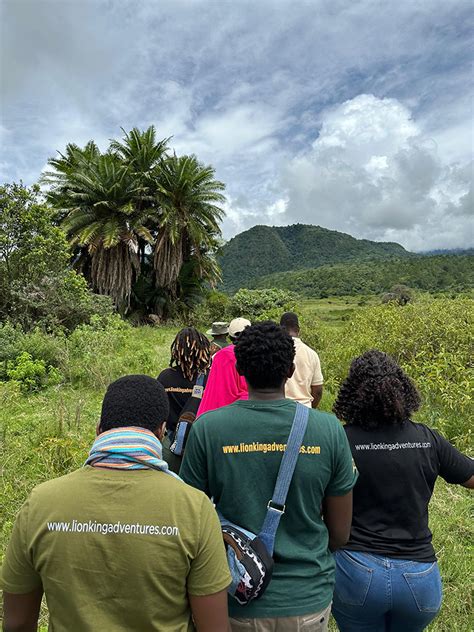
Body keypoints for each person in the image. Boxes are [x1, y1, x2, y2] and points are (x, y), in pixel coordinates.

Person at [1, 375, 231, 632]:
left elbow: (18, 622)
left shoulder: (40, 502)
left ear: (99, 429)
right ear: (161, 431)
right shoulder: (194, 508)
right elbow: (214, 627)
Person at [181, 321, 358, 631]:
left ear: (240, 369)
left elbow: (190, 521)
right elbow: (340, 535)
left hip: (237, 598)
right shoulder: (328, 429)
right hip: (307, 598)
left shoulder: (208, 429)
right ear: (290, 370)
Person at [331, 350, 474, 632]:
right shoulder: (427, 439)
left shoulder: (341, 440)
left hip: (357, 573)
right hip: (419, 579)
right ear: (402, 389)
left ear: (351, 394)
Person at [158, 327, 211, 472]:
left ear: (176, 350)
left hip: (172, 445)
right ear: (204, 349)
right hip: (203, 445)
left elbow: (160, 411)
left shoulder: (165, 377)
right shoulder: (211, 377)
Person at [196, 317, 251, 416]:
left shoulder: (220, 355)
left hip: (217, 411)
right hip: (244, 411)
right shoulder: (255, 354)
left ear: (229, 336)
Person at [280, 312, 324, 408]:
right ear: (298, 330)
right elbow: (318, 391)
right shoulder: (312, 354)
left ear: (280, 330)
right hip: (305, 408)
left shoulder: (275, 351)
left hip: (280, 408)